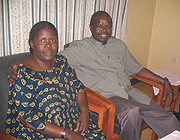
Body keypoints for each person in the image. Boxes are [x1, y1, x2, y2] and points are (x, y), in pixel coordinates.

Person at [7, 11, 180, 140]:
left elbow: (136, 68)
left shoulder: (119, 45)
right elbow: (48, 57)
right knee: (132, 111)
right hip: (108, 95)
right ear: (91, 27)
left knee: (167, 118)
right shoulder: (79, 49)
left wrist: (162, 80)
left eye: (108, 26)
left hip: (129, 91)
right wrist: (17, 65)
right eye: (99, 25)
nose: (104, 30)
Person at [5, 21, 106, 140]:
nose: (48, 45)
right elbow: (27, 118)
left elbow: (78, 87)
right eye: (42, 40)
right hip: (41, 132)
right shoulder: (24, 74)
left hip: (72, 123)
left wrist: (84, 111)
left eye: (53, 40)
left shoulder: (61, 62)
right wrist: (66, 134)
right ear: (32, 44)